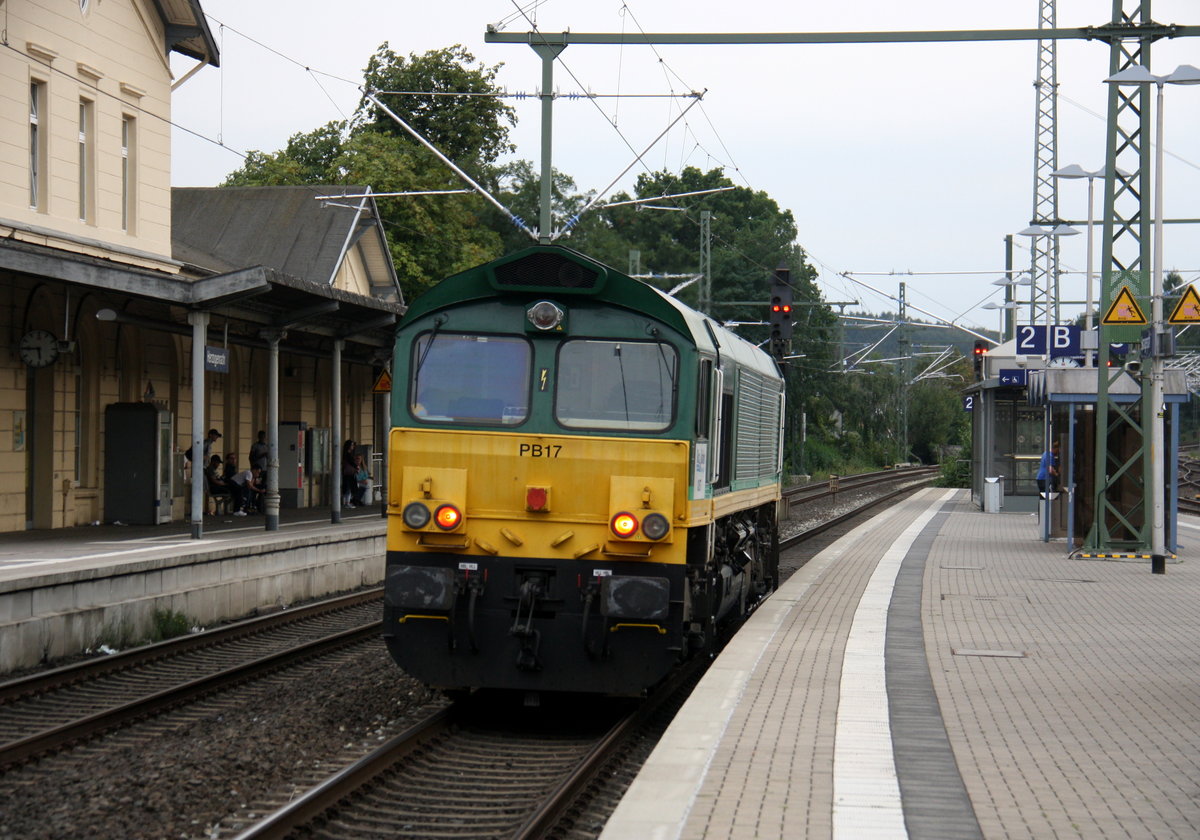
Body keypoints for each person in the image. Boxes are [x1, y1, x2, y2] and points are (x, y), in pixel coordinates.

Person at [342, 440, 358, 508]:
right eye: (351, 445)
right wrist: (356, 466)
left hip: (347, 472)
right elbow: (351, 462)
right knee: (348, 488)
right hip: (349, 473)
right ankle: (347, 503)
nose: (353, 446)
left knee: (348, 488)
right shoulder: (348, 454)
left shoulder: (346, 454)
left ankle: (346, 502)